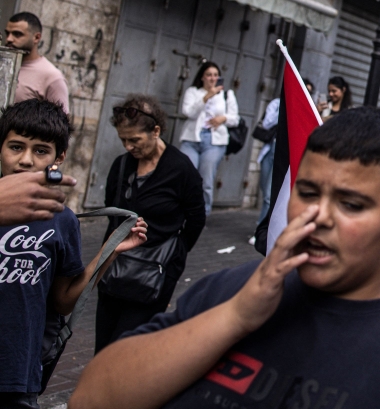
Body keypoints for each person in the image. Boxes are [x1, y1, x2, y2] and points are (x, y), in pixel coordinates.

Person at [71, 108, 380, 409]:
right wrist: (236, 317)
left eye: (351, 204)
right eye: (308, 192)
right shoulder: (228, 292)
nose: (318, 218)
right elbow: (91, 397)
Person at [0, 99, 146, 408]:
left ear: (60, 156)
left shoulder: (62, 220)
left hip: (17, 372)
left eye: (40, 150)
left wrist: (108, 252)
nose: (26, 160)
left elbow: (63, 300)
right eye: (16, 147)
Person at [96, 95, 205, 353]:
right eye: (123, 140)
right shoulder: (121, 165)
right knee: (103, 344)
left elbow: (196, 219)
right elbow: (112, 210)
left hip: (154, 272)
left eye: (135, 140)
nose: (129, 146)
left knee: (126, 347)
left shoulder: (181, 169)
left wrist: (174, 254)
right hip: (116, 268)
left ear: (156, 131)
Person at [178, 62, 239, 215]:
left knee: (205, 179)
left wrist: (223, 118)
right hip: (192, 139)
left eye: (215, 75)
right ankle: (181, 212)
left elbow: (235, 119)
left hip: (214, 142)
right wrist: (206, 97)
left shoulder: (227, 95)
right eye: (209, 75)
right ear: (202, 77)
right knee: (186, 175)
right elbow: (188, 113)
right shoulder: (193, 92)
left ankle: (202, 214)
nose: (212, 78)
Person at [5, 12, 69, 114]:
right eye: (7, 33)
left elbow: (60, 124)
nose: (9, 39)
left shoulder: (52, 77)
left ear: (36, 38)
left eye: (17, 34)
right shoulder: (4, 65)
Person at [255, 97, 280, 227]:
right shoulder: (277, 104)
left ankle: (261, 229)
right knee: (264, 188)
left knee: (269, 195)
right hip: (270, 149)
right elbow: (266, 123)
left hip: (283, 152)